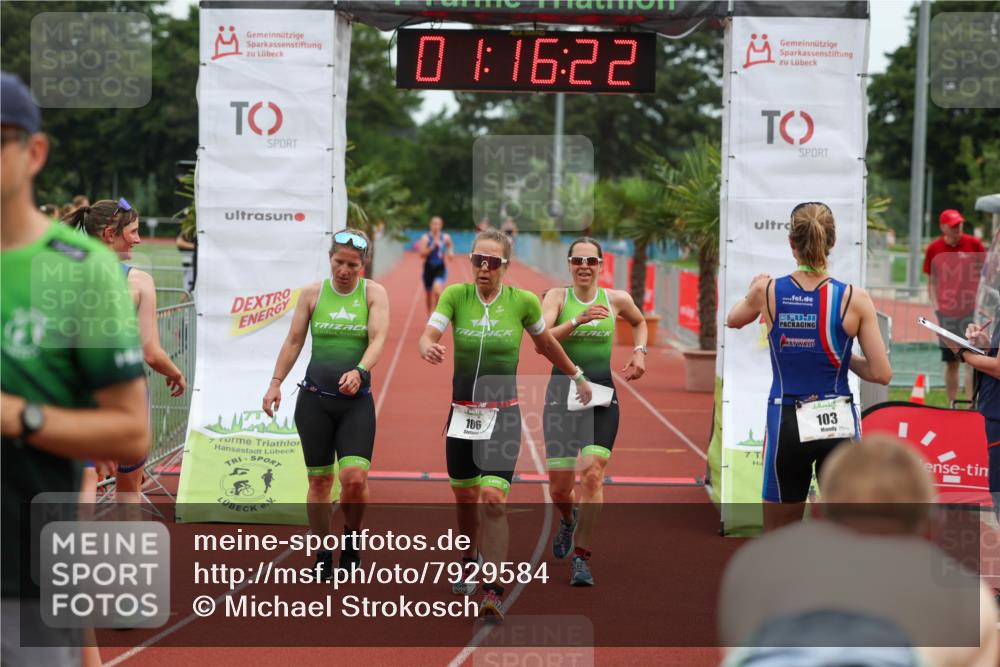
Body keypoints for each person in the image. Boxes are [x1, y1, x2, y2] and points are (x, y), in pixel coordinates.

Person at [1, 71, 149, 666]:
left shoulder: (82, 269)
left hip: (21, 581)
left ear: (34, 151)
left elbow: (130, 433)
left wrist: (20, 417)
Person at [418, 229, 592, 620]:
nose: (484, 268)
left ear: (505, 266)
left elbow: (546, 345)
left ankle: (493, 590)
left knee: (493, 498)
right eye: (478, 260)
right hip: (463, 414)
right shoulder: (455, 296)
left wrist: (577, 376)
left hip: (503, 415)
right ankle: (469, 558)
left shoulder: (523, 302)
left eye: (492, 262)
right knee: (465, 498)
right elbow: (429, 333)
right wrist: (427, 345)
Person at [719, 435, 999, 667]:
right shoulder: (965, 595)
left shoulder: (757, 563)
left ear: (817, 513)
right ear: (931, 527)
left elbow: (738, 645)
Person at [726, 202, 891, 531]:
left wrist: (753, 289)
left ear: (791, 242)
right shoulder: (854, 298)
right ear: (832, 242)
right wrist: (841, 356)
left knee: (779, 535)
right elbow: (881, 373)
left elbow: (733, 319)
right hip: (837, 420)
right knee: (848, 530)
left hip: (786, 418)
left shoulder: (767, 290)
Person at [263, 229, 389, 576]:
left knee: (354, 478)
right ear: (330, 259)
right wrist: (275, 383)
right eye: (338, 262)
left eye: (352, 265)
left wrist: (360, 371)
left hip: (355, 404)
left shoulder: (373, 294)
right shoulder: (312, 293)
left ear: (363, 265)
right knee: (319, 482)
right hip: (315, 401)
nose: (344, 271)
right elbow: (293, 341)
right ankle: (322, 553)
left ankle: (351, 539)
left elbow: (378, 339)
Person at [541, 237, 648, 586]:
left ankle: (581, 558)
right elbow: (543, 342)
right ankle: (568, 519)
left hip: (601, 394)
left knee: (592, 473)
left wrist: (640, 351)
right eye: (577, 260)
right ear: (569, 264)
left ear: (601, 265)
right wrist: (579, 319)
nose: (584, 266)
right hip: (561, 395)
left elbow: (639, 322)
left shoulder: (617, 299)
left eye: (591, 261)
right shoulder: (557, 298)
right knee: (559, 489)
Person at [68, 198, 187, 501]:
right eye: (132, 231)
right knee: (129, 490)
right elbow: (152, 353)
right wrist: (175, 372)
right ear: (110, 234)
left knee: (84, 484)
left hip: (79, 390)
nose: (138, 239)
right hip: (126, 394)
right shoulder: (139, 281)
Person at [924, 208, 985, 404]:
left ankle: (971, 403)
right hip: (946, 313)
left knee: (972, 361)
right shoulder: (934, 248)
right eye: (953, 225)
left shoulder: (974, 244)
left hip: (971, 311)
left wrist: (982, 307)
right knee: (951, 362)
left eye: (960, 224)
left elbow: (987, 275)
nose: (958, 228)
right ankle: (952, 404)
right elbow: (931, 282)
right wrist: (937, 309)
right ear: (943, 227)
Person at [418, 215, 453, 315]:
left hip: (440, 268)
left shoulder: (445, 237)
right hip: (428, 269)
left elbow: (450, 245)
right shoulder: (425, 238)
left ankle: (435, 313)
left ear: (441, 225)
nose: (436, 226)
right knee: (429, 294)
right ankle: (429, 314)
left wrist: (450, 252)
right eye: (434, 224)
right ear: (430, 225)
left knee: (437, 290)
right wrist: (431, 247)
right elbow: (421, 254)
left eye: (438, 224)